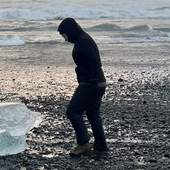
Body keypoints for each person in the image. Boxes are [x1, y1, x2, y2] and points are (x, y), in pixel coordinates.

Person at [58, 18, 108, 156]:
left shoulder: (82, 42)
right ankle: (101, 146)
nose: (65, 39)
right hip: (99, 81)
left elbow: (94, 63)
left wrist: (89, 82)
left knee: (73, 111)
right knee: (93, 114)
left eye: (64, 35)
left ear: (70, 31)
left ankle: (84, 143)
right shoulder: (84, 39)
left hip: (91, 82)